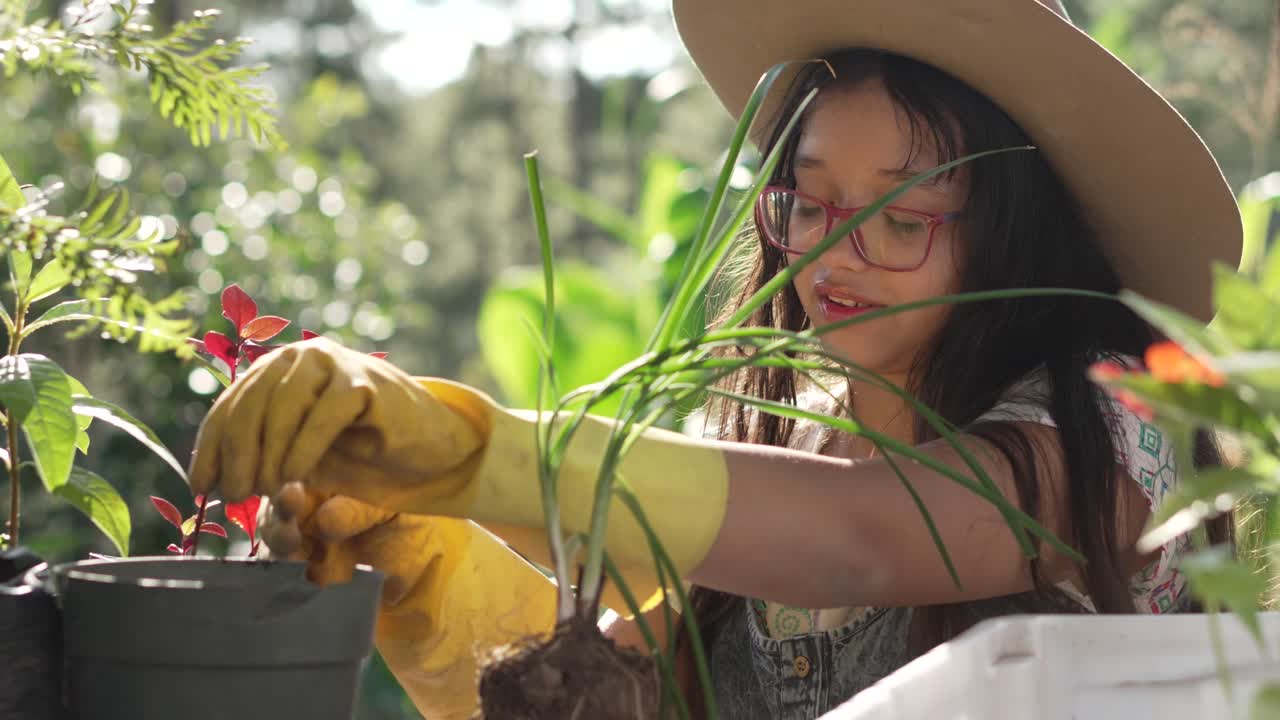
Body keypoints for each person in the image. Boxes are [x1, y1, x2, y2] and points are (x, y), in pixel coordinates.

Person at [187, 0, 1242, 717]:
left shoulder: (1109, 437)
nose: (831, 244)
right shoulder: (791, 441)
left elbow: (864, 537)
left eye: (900, 213)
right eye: (808, 198)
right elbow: (611, 684)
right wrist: (428, 564)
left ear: (1021, 234)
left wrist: (475, 452)